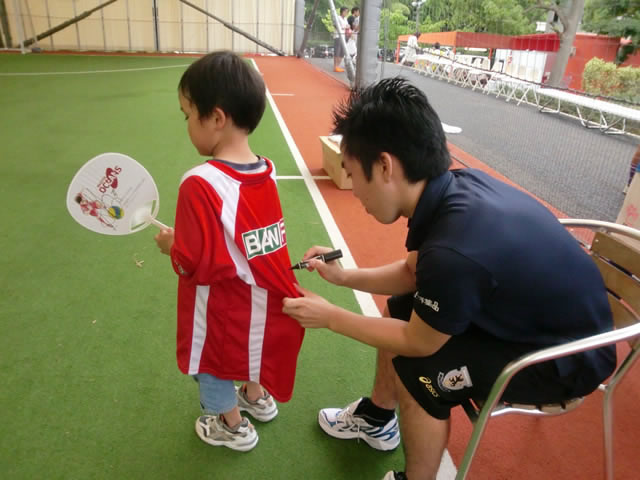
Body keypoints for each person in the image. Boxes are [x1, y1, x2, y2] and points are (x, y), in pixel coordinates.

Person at [282, 77, 616, 480]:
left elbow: (417, 342)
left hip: (565, 357)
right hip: (543, 319)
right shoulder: (455, 188)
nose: (353, 190)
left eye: (353, 175)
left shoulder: (453, 249)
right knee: (400, 309)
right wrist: (342, 277)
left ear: (385, 166)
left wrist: (330, 317)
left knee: (417, 372)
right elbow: (411, 273)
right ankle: (378, 419)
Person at [154, 51, 305, 452]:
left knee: (210, 359)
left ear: (217, 118)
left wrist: (171, 246)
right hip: (261, 298)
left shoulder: (199, 183)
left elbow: (193, 263)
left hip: (221, 305)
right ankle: (256, 395)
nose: (187, 124)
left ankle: (230, 423)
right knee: (249, 345)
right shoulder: (266, 171)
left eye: (188, 114)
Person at [333, 7, 350, 72]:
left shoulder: (345, 19)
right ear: (342, 11)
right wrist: (344, 27)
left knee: (342, 52)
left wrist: (347, 27)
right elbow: (335, 25)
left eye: (347, 12)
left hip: (344, 36)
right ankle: (335, 66)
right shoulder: (338, 17)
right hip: (338, 36)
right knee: (337, 51)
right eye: (345, 11)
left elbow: (347, 26)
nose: (346, 13)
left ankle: (338, 66)